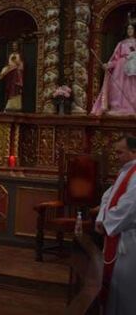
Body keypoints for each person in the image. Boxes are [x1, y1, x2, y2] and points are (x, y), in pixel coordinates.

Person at [95, 135, 136, 314]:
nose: (116, 156)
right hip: (118, 234)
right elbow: (108, 196)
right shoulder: (125, 171)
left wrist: (107, 223)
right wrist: (101, 219)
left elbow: (129, 206)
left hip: (129, 240)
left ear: (133, 152)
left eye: (120, 152)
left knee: (127, 289)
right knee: (115, 287)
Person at [91, 23, 136, 116]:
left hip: (133, 70)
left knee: (132, 89)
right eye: (128, 29)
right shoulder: (121, 43)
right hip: (120, 70)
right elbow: (115, 58)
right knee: (118, 89)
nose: (130, 31)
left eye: (131, 29)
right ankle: (119, 107)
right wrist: (108, 65)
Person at [0, 47, 24, 112]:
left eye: (16, 46)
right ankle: (8, 106)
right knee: (9, 90)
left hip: (16, 76)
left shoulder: (19, 55)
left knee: (16, 90)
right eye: (13, 46)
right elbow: (7, 67)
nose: (14, 47)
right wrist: (3, 73)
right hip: (10, 76)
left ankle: (15, 106)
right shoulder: (10, 56)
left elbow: (21, 66)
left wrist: (17, 63)